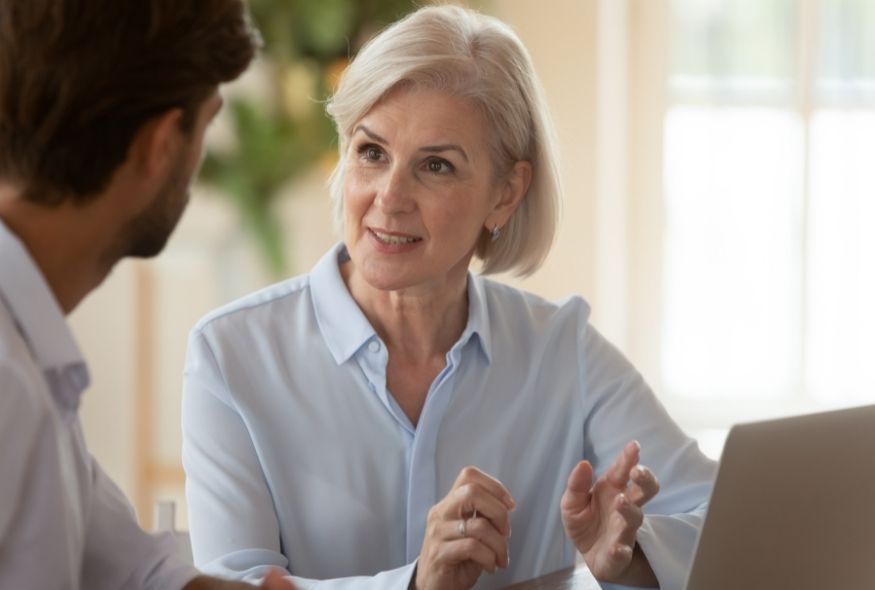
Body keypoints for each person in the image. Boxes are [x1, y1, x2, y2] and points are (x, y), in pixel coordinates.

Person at [182, 5, 716, 590]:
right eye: (371, 152)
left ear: (505, 194)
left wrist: (627, 556)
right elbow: (233, 584)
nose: (389, 197)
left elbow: (717, 516)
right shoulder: (230, 354)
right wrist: (413, 584)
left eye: (435, 165)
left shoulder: (563, 351)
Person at [0, 1, 297, 589]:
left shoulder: (33, 360)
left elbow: (135, 569)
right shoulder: (8, 382)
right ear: (160, 146)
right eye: (206, 124)